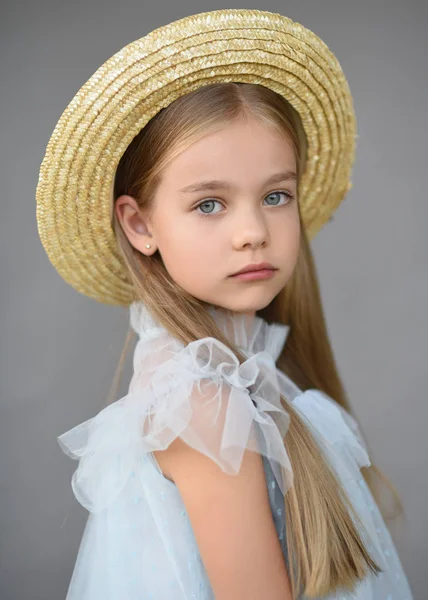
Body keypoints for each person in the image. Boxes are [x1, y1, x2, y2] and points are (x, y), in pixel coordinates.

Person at [35, 8, 414, 600]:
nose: (253, 231)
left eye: (275, 195)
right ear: (139, 225)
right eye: (209, 203)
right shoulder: (202, 400)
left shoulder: (243, 376)